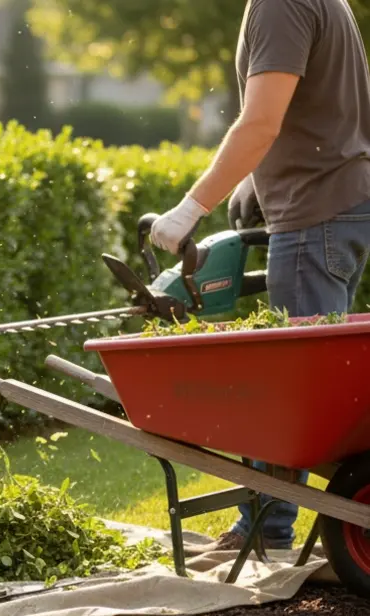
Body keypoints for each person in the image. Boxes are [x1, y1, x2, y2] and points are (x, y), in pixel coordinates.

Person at [149, 0, 370, 553]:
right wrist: (256, 178)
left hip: (314, 212)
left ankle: (264, 531)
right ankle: (272, 522)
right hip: (340, 203)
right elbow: (320, 105)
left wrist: (190, 208)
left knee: (289, 388)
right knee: (314, 380)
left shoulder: (279, 4)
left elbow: (260, 122)